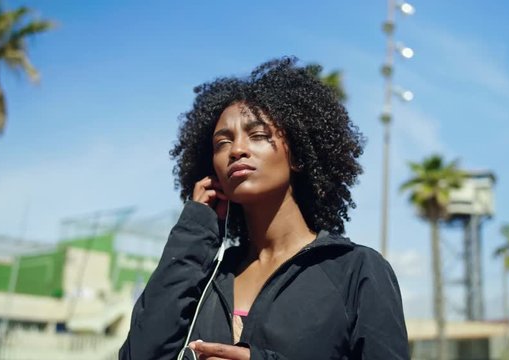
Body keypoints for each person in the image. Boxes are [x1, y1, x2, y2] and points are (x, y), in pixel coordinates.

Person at [119, 57, 408, 360]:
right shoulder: (208, 277)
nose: (237, 150)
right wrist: (193, 230)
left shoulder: (355, 270)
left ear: (296, 156)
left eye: (257, 136)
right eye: (222, 142)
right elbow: (140, 354)